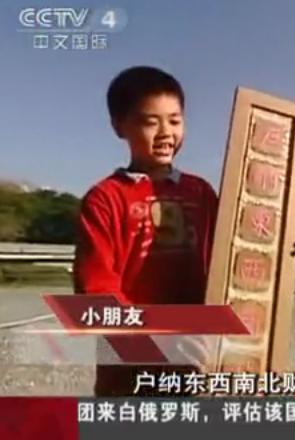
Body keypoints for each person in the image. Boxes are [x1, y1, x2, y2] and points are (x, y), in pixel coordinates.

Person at [74, 66, 218, 396]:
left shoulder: (201, 193)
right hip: (130, 379)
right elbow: (97, 293)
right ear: (118, 126)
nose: (166, 133)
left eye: (175, 121)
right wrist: (163, 342)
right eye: (151, 122)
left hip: (201, 368)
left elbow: (232, 256)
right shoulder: (104, 199)